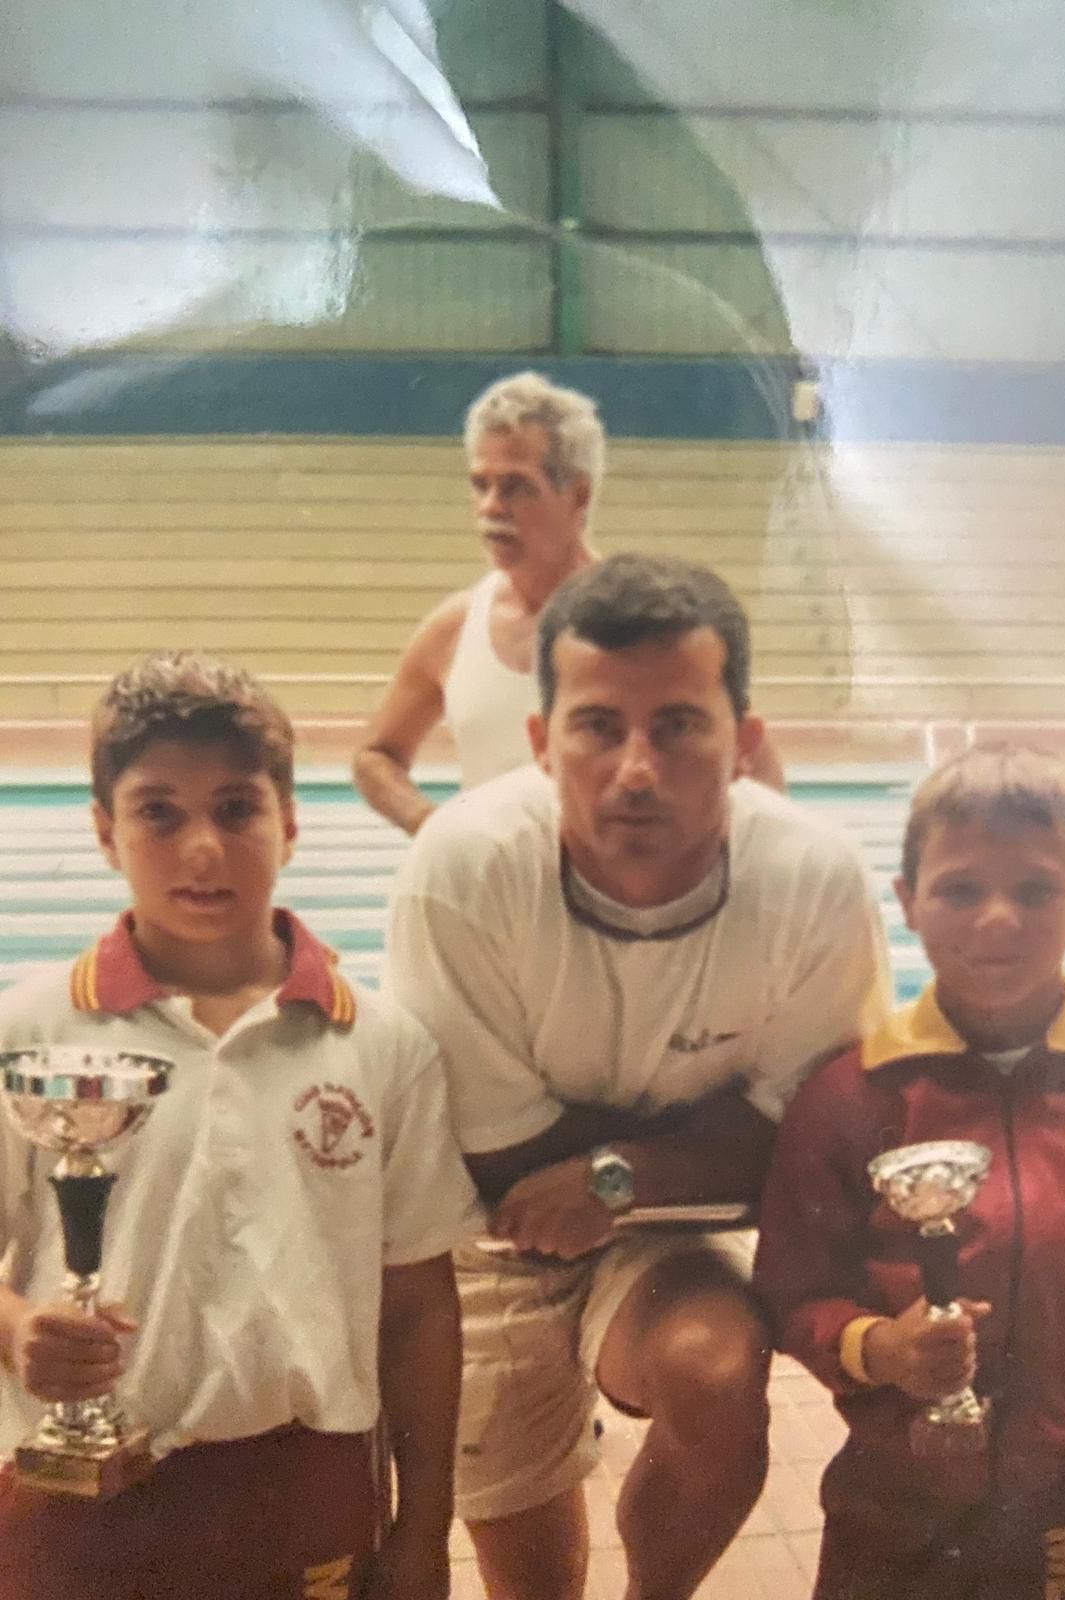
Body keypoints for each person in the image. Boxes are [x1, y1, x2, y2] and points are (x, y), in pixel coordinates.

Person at [385, 553, 891, 1600]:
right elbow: (504, 1165)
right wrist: (695, 1141)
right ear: (540, 742)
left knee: (714, 1372)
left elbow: (805, 1141)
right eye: (599, 725)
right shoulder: (466, 865)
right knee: (530, 1583)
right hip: (487, 1228)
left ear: (743, 742)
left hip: (655, 1212)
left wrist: (618, 1176)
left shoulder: (811, 881)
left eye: (678, 725)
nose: (635, 768)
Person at [0, 651, 481, 1600]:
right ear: (105, 832)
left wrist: (426, 1527)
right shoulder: (33, 1032)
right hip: (71, 1508)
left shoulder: (379, 1045)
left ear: (289, 823)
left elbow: (421, 1306)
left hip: (302, 1497)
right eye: (158, 813)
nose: (202, 849)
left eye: (235, 808)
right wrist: (19, 1330)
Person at [752, 743, 1065, 1600]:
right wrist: (879, 1347)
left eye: (1035, 889)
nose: (998, 917)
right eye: (960, 889)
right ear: (908, 904)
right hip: (893, 1499)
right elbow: (792, 1289)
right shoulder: (851, 1093)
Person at [353, 371, 784, 832]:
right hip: (499, 896)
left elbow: (757, 769)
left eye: (516, 487)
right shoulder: (455, 629)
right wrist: (433, 828)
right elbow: (375, 756)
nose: (491, 508)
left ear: (578, 495)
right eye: (481, 485)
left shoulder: (647, 626)